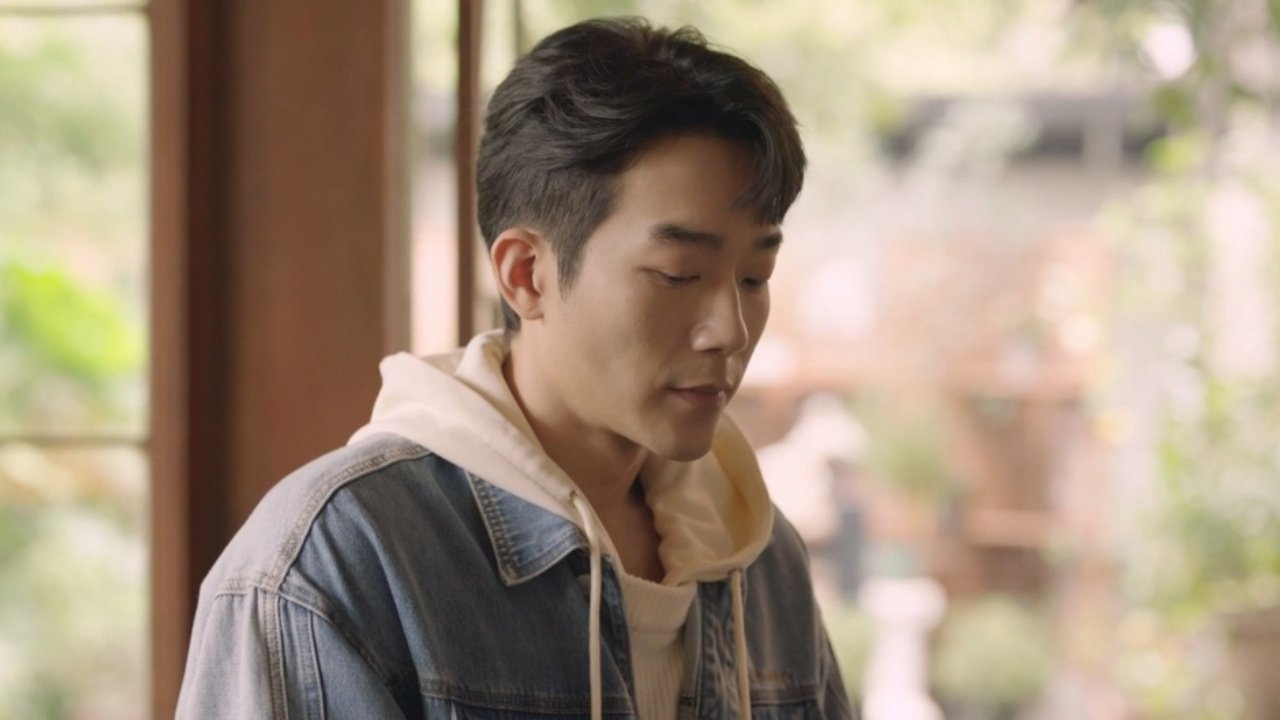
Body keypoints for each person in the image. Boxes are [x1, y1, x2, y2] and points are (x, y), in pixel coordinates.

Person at [176, 16, 852, 719]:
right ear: (527, 274)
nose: (731, 331)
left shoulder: (759, 558)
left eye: (754, 277)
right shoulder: (337, 561)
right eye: (679, 274)